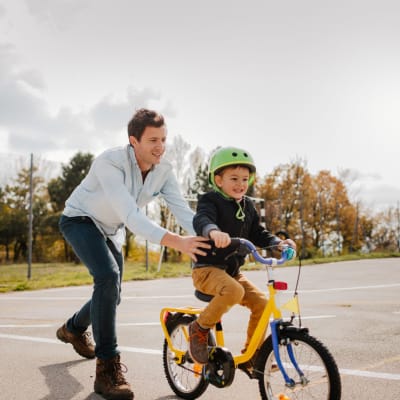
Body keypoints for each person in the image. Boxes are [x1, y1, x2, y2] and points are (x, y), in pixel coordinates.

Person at [56, 108, 210, 400]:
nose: (160, 146)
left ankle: (73, 328)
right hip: (80, 220)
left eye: (163, 139)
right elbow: (129, 214)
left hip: (111, 228)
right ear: (133, 141)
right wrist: (177, 242)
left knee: (112, 293)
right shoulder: (109, 162)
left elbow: (183, 211)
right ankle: (107, 370)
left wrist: (208, 233)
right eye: (153, 139)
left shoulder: (163, 171)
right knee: (107, 277)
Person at [188, 146, 296, 371]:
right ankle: (199, 328)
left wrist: (278, 243)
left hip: (232, 272)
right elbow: (202, 219)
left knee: (262, 303)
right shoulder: (210, 200)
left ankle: (252, 356)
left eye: (245, 179)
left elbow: (258, 233)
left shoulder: (248, 207)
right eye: (234, 178)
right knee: (234, 290)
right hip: (207, 269)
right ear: (218, 180)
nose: (240, 184)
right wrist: (212, 231)